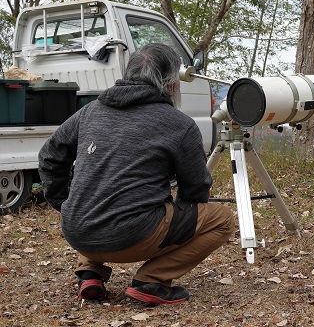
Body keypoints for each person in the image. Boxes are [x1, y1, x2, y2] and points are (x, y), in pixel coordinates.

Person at [38, 43, 235, 305]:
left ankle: (90, 273)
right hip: (135, 235)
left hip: (78, 233)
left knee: (98, 191)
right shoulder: (179, 124)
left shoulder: (90, 111)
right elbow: (196, 189)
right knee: (223, 219)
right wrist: (172, 215)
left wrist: (65, 205)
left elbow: (49, 156)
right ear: (171, 84)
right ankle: (152, 280)